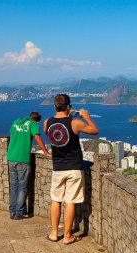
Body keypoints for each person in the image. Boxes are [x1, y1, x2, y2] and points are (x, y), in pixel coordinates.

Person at [44, 94, 99, 244]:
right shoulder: (75, 122)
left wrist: (64, 115)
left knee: (55, 200)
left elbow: (50, 134)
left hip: (57, 167)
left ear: (54, 106)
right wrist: (86, 117)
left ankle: (54, 233)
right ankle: (67, 236)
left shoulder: (47, 123)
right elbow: (95, 131)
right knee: (70, 202)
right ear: (69, 106)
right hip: (74, 167)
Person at [7, 111, 51, 220]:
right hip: (22, 158)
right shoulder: (33, 124)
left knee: (14, 185)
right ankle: (20, 212)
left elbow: (11, 136)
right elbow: (37, 137)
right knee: (22, 186)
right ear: (38, 120)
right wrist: (46, 152)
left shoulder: (17, 121)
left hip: (11, 157)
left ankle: (12, 211)